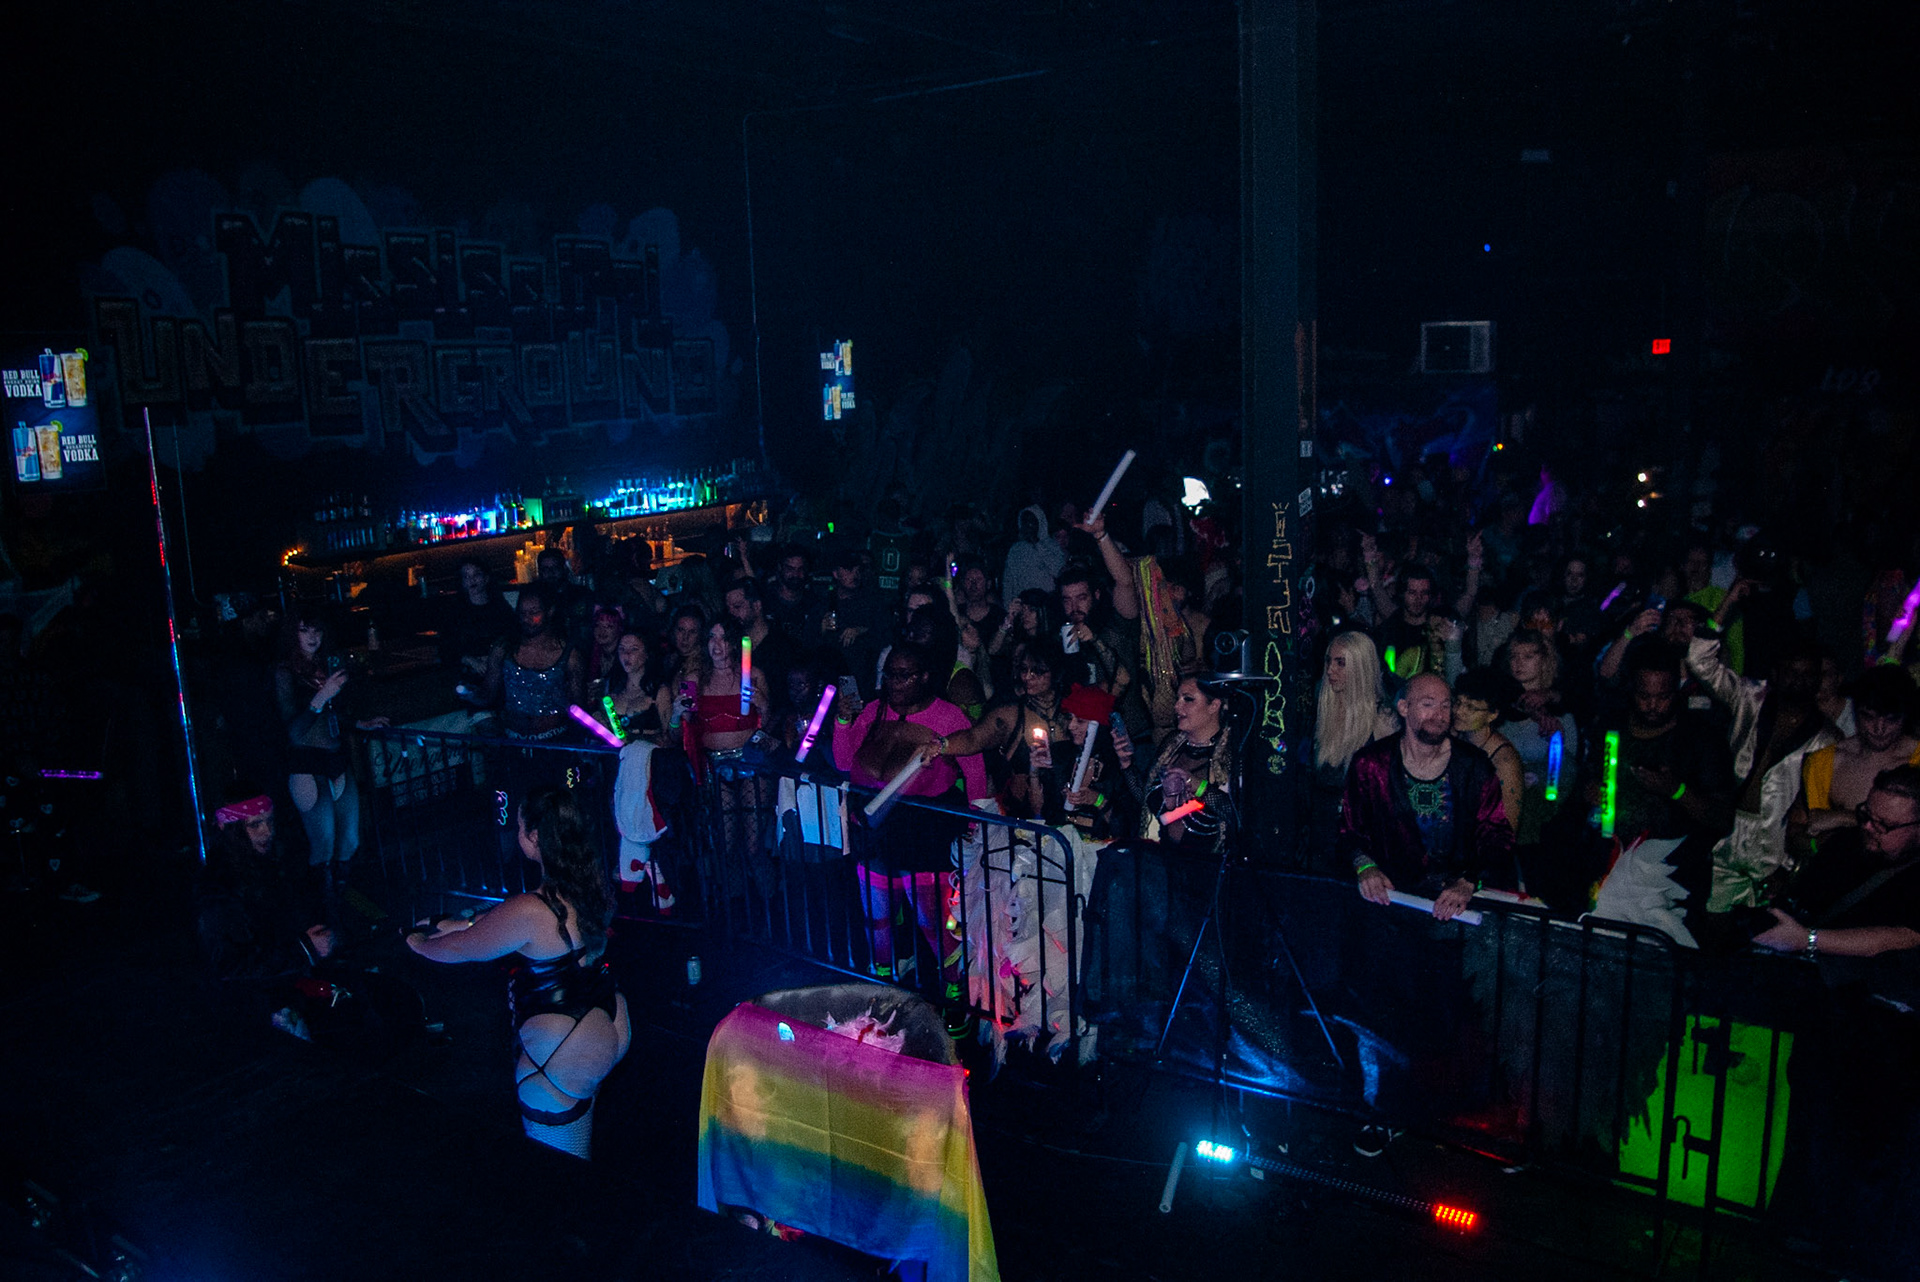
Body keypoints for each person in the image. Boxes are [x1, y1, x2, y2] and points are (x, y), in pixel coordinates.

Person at [1752, 766, 1920, 1275]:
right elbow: (1807, 902)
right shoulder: (1848, 848)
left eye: (1887, 825)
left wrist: (1806, 940)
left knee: (1870, 1158)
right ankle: (1803, 1241)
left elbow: (1896, 938)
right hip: (1831, 1018)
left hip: (1890, 1038)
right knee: (1814, 1135)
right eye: (1869, 815)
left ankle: (1849, 1257)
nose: (1871, 828)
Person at [409, 785, 629, 1158]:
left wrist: (416, 942)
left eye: (519, 826)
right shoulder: (592, 889)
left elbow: (459, 949)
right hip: (605, 1019)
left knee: (558, 1180)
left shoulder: (529, 909)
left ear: (536, 837)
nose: (516, 834)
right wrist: (463, 923)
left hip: (561, 1051)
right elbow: (501, 923)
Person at [833, 641, 989, 990]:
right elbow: (844, 761)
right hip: (873, 830)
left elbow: (976, 774)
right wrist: (843, 720)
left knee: (933, 921)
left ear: (925, 677)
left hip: (924, 833)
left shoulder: (948, 716)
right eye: (889, 674)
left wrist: (974, 824)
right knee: (877, 918)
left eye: (903, 675)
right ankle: (882, 983)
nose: (894, 683)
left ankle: (956, 992)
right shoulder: (872, 710)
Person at [1689, 635, 1850, 911]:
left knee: (1765, 928)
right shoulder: (1750, 698)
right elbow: (1699, 662)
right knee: (1711, 918)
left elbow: (1815, 813)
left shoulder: (1828, 739)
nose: (1799, 681)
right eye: (1791, 672)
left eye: (1808, 674)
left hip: (1775, 848)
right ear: (1776, 673)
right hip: (1724, 834)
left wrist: (1792, 868)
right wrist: (1721, 614)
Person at [1339, 673, 1515, 918]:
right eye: (1428, 704)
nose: (1439, 715)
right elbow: (1350, 829)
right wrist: (1365, 867)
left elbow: (1496, 834)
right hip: (1391, 902)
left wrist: (1468, 881)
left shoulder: (1473, 766)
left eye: (1445, 705)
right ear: (1404, 708)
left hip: (1455, 909)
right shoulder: (1371, 764)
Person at [274, 610, 387, 892]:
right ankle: (324, 902)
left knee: (350, 840)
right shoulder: (285, 672)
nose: (312, 637)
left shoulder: (325, 665)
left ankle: (340, 893)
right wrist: (321, 697)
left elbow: (333, 714)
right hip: (306, 763)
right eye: (304, 630)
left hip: (336, 758)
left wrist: (359, 723)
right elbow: (293, 730)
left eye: (317, 630)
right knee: (323, 842)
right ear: (293, 634)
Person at [677, 620, 775, 900]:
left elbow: (767, 726)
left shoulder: (753, 674)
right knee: (726, 845)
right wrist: (676, 714)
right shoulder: (694, 679)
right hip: (716, 768)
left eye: (723, 637)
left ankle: (771, 907)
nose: (716, 644)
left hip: (750, 765)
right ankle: (735, 908)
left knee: (754, 847)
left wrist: (764, 705)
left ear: (733, 643)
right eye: (712, 636)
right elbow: (681, 729)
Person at [1791, 666, 1920, 857]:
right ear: (1855, 711)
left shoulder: (1917, 759)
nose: (1879, 728)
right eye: (1869, 717)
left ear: (1905, 717)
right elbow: (1796, 835)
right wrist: (1819, 844)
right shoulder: (1824, 762)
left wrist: (1847, 817)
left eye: (1891, 720)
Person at [1308, 632, 1400, 867]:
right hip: (1319, 837)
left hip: (1361, 844)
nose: (1330, 670)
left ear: (1361, 667)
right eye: (1328, 661)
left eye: (1341, 663)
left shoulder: (1383, 720)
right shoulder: (1324, 713)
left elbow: (1393, 794)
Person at [462, 584, 584, 742]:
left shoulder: (569, 655)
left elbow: (580, 709)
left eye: (534, 612)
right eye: (522, 613)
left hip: (554, 742)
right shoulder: (504, 648)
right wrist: (468, 693)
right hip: (514, 741)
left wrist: (564, 702)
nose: (526, 619)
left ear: (550, 611)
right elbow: (487, 695)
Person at [1143, 676, 1238, 856]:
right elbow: (1143, 799)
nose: (1177, 706)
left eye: (1188, 699)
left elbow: (1239, 815)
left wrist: (1198, 786)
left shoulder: (1230, 754)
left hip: (1208, 865)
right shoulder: (1172, 745)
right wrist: (1126, 763)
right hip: (1163, 859)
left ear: (1214, 705)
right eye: (1177, 699)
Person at [1503, 630, 1579, 851]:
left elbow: (1566, 772)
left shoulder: (1560, 712)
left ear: (1545, 660)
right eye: (1514, 656)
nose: (1519, 663)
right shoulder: (1499, 704)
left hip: (1541, 818)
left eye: (1528, 656)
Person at [1450, 667, 1524, 837]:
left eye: (1471, 707)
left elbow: (1509, 828)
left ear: (1493, 714)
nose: (1459, 711)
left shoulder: (1504, 762)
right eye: (1458, 702)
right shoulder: (1454, 738)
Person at [441, 559, 517, 678]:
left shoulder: (500, 608)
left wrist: (496, 657)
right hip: (469, 672)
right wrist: (470, 660)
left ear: (486, 578)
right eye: (466, 576)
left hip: (501, 668)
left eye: (476, 574)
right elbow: (447, 648)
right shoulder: (455, 613)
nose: (472, 580)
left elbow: (512, 636)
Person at [604, 628, 669, 746]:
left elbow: (669, 737)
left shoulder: (659, 691)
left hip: (647, 755)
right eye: (622, 649)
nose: (626, 654)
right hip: (617, 755)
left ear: (647, 654)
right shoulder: (612, 689)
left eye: (634, 649)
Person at [1002, 504, 1066, 603]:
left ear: (1040, 522)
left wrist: (1037, 543)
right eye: (1025, 522)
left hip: (1047, 601)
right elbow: (1008, 581)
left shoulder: (1052, 545)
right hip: (1024, 603)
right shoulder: (1015, 550)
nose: (1028, 525)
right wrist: (1008, 604)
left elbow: (1058, 571)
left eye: (1032, 522)